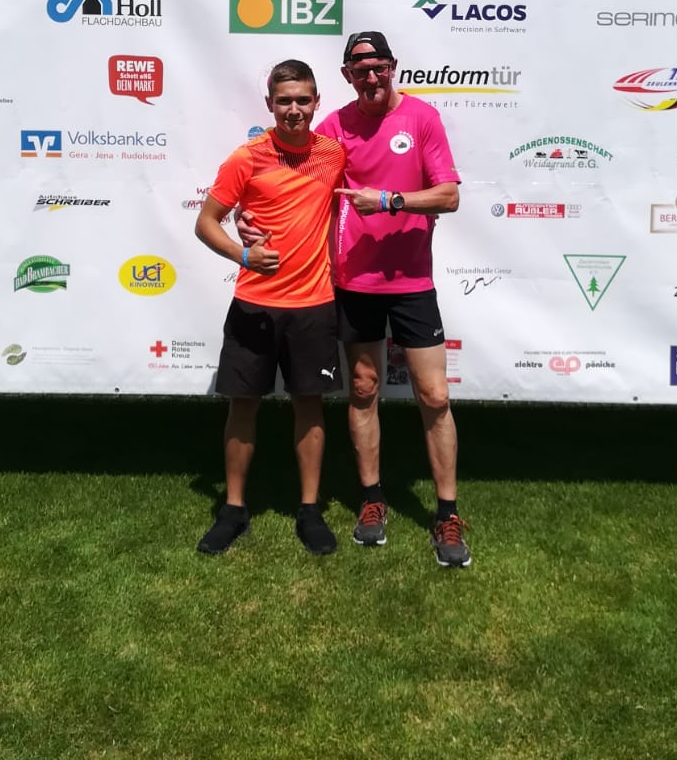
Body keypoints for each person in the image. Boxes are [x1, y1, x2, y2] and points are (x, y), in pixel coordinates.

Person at [241, 30, 470, 567]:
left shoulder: (422, 118)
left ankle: (447, 512)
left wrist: (389, 200)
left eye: (379, 67)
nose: (371, 77)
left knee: (434, 395)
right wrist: (247, 218)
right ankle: (371, 500)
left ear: (393, 67)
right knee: (363, 389)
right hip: (353, 282)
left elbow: (449, 195)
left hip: (412, 283)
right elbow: (288, 178)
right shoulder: (334, 127)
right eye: (360, 70)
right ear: (347, 76)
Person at [194, 60, 346, 557]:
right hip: (254, 305)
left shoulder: (334, 154)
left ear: (317, 102)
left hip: (314, 303)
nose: (294, 110)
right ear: (270, 105)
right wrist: (243, 254)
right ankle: (233, 509)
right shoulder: (248, 157)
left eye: (303, 100)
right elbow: (206, 222)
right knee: (243, 405)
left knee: (310, 404)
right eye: (284, 101)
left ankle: (310, 510)